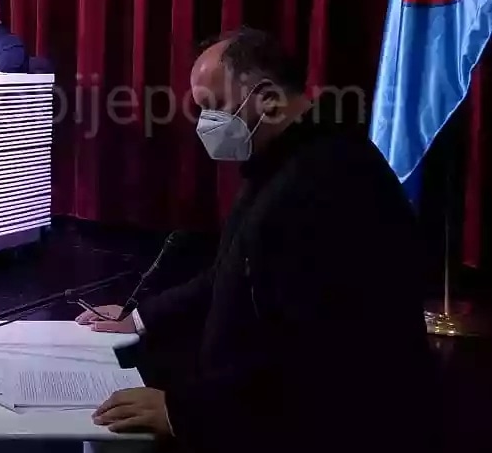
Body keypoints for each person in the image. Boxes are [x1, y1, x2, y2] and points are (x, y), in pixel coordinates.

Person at [77, 28, 436, 453]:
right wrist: (137, 318)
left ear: (268, 99)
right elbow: (228, 272)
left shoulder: (329, 181)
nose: (205, 123)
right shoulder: (282, 159)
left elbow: (320, 360)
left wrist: (182, 412)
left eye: (214, 106)